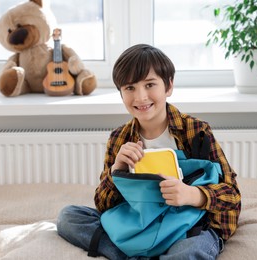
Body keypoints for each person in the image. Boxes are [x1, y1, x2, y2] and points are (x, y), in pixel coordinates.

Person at [57, 44, 241, 259]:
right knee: (68, 217)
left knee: (190, 251)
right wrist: (117, 169)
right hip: (139, 224)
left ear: (169, 86)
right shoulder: (120, 138)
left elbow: (232, 195)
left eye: (150, 84)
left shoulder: (196, 132)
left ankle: (133, 253)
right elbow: (103, 206)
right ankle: (139, 252)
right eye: (130, 88)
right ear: (121, 93)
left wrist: (192, 194)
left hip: (186, 228)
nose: (141, 97)